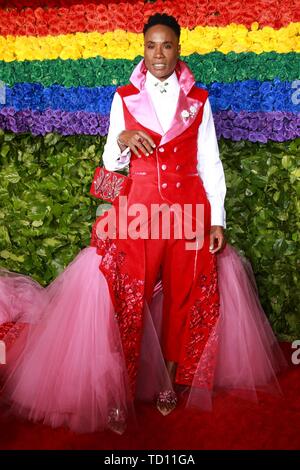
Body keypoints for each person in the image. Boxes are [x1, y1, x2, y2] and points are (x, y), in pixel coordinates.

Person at [0, 14, 287, 435]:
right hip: (139, 213)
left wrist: (217, 219)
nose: (159, 53)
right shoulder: (124, 97)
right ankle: (121, 388)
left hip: (189, 213)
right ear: (143, 48)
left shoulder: (200, 101)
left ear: (178, 49)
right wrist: (121, 141)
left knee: (182, 295)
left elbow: (210, 163)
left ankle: (169, 381)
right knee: (128, 298)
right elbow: (110, 167)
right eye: (151, 45)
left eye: (167, 45)